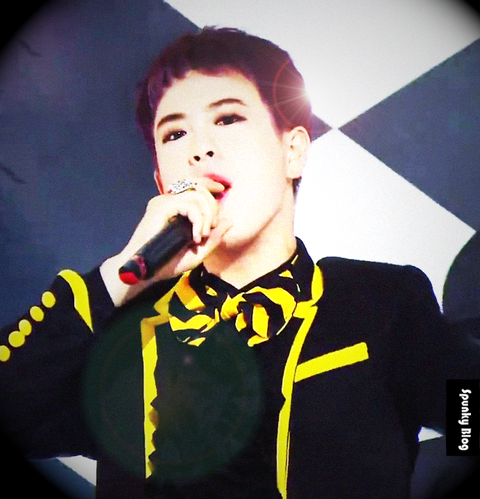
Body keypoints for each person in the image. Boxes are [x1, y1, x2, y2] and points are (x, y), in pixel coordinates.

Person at [0, 27, 479, 499]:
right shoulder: (123, 333)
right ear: (162, 182)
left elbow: (468, 420)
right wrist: (119, 276)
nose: (200, 149)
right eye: (175, 133)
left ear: (292, 151)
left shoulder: (377, 301)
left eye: (227, 119)